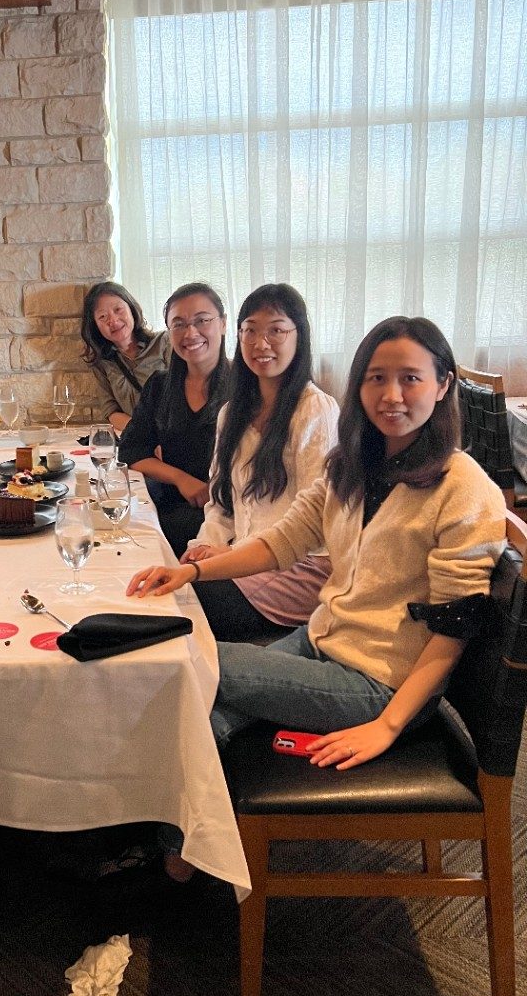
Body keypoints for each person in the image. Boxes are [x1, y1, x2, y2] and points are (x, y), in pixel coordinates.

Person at [128, 315, 506, 772]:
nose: (391, 395)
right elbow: (280, 542)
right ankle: (176, 838)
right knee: (204, 716)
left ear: (443, 384)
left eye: (410, 379)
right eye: (376, 378)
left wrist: (387, 725)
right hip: (320, 640)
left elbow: (454, 628)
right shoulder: (352, 467)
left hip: (380, 683)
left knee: (184, 654)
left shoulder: (462, 486)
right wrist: (192, 570)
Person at [181, 284, 339, 641]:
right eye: (250, 330)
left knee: (186, 607)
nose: (260, 343)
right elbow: (221, 504)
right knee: (177, 582)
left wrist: (226, 555)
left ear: (300, 337)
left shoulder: (315, 410)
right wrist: (202, 550)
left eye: (276, 330)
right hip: (244, 557)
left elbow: (314, 521)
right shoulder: (231, 414)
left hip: (301, 564)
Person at [118, 282, 230, 557]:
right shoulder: (160, 385)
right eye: (179, 324)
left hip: (231, 518)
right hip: (174, 505)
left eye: (202, 320)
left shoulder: (247, 386)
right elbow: (132, 450)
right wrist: (181, 479)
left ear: (224, 324)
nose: (191, 333)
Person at [80, 281, 171, 430]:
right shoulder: (102, 363)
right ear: (95, 326)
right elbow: (111, 411)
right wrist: (143, 434)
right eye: (103, 317)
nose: (113, 321)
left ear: (131, 308)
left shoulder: (165, 342)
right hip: (138, 439)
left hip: (174, 436)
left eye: (118, 309)